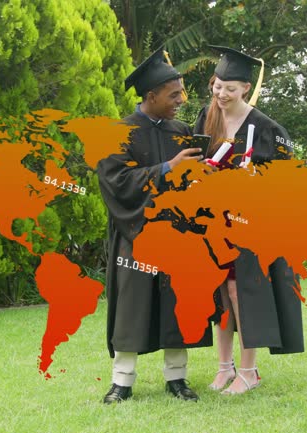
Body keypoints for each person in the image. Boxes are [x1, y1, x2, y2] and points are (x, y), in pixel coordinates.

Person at [97, 48, 212, 404]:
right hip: (137, 232)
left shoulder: (182, 132)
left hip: (177, 233)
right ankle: (122, 381)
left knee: (176, 303)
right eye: (174, 94)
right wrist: (166, 169)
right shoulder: (119, 133)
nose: (182, 100)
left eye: (182, 93)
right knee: (133, 305)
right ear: (151, 96)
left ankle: (177, 378)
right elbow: (116, 181)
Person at [194, 45, 305, 395]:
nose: (221, 93)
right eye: (217, 85)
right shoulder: (206, 118)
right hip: (213, 223)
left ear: (245, 87)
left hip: (249, 225)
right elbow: (192, 163)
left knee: (240, 292)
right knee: (220, 294)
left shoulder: (268, 128)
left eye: (229, 88)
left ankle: (249, 370)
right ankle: (224, 367)